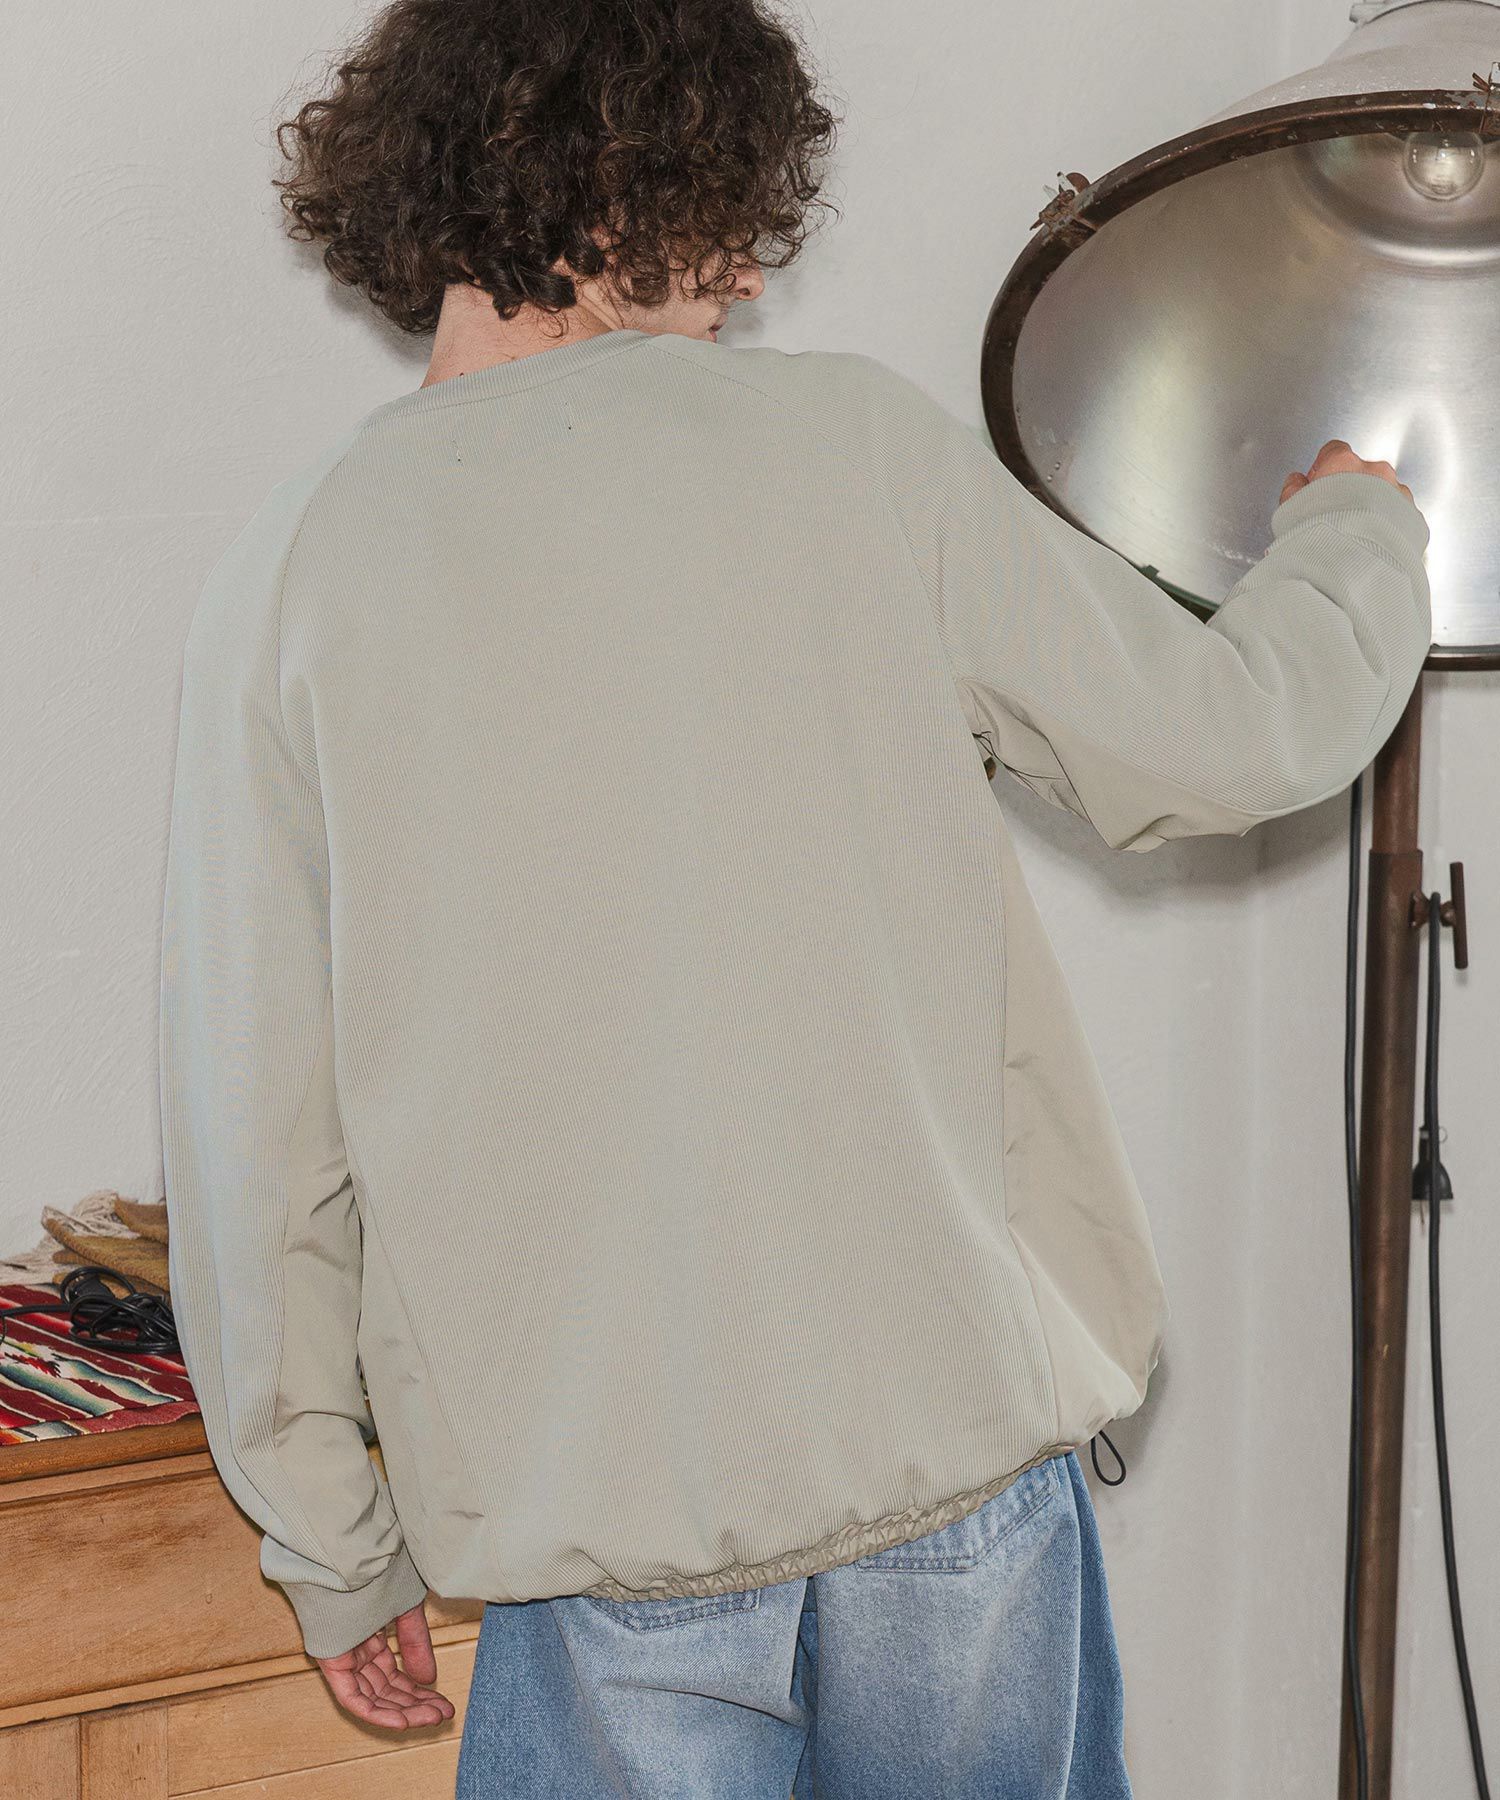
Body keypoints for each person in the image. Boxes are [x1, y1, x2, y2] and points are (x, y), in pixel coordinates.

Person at [155, 1, 1431, 1795]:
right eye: (720, 206)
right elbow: (1233, 734)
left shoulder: (287, 577)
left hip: (605, 1549)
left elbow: (255, 1134)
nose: (751, 270)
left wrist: (331, 1543)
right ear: (613, 175)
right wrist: (1355, 531)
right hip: (955, 1506)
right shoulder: (855, 450)